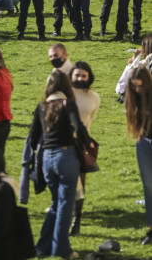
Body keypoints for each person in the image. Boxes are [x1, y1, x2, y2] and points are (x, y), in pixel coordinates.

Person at [29, 71, 88, 258]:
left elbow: (32, 138)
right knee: (65, 205)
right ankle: (62, 249)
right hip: (66, 156)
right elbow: (78, 127)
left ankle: (43, 246)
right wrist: (86, 142)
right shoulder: (67, 104)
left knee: (56, 203)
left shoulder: (42, 106)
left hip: (47, 158)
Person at [69, 61, 100, 235]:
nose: (80, 78)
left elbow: (91, 119)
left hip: (82, 144)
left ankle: (76, 219)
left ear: (89, 77)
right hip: (63, 142)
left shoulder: (94, 97)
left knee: (80, 183)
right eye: (77, 75)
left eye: (83, 75)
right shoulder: (65, 94)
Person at [126, 67, 152, 244]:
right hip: (143, 142)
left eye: (141, 86)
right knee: (149, 187)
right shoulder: (133, 96)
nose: (138, 90)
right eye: (134, 87)